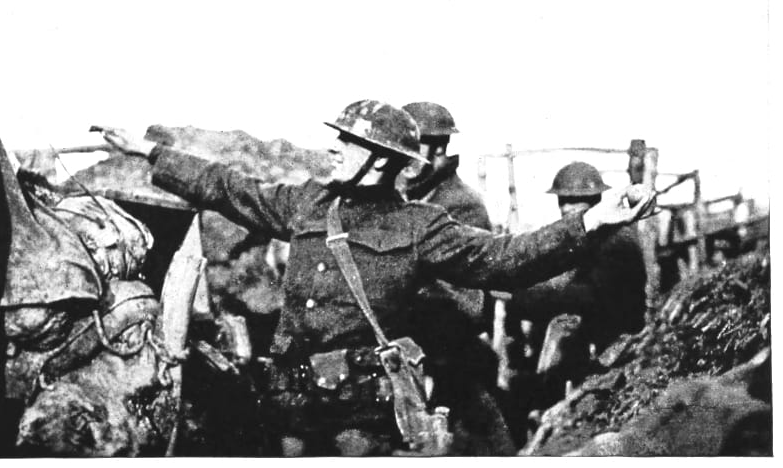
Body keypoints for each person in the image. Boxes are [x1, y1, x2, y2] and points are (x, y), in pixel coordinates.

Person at [97, 101, 653, 456]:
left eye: (348, 143)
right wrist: (150, 152)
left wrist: (593, 220)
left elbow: (505, 259)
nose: (335, 149)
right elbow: (228, 186)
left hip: (362, 412)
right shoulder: (309, 202)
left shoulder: (421, 224)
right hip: (291, 399)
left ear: (380, 159)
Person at [401, 101, 511, 455]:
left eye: (411, 147)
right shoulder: (419, 196)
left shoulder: (458, 204)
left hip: (445, 345)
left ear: (436, 149)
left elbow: (462, 300)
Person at [508, 161, 647, 407]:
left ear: (596, 200)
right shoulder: (591, 236)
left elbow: (588, 297)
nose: (566, 208)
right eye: (563, 200)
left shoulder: (616, 240)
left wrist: (525, 299)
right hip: (597, 343)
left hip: (618, 346)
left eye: (575, 200)